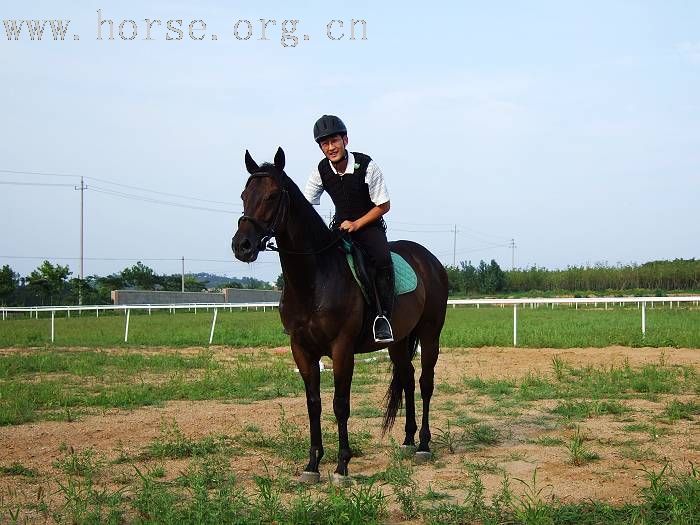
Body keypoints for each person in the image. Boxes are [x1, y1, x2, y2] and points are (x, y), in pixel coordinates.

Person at [304, 114, 395, 343]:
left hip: (369, 227)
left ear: (345, 139)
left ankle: (383, 317)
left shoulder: (366, 165)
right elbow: (306, 205)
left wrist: (357, 224)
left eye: (334, 140)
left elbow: (384, 205)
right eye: (325, 144)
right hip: (341, 228)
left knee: (382, 259)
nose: (331, 147)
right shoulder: (321, 170)